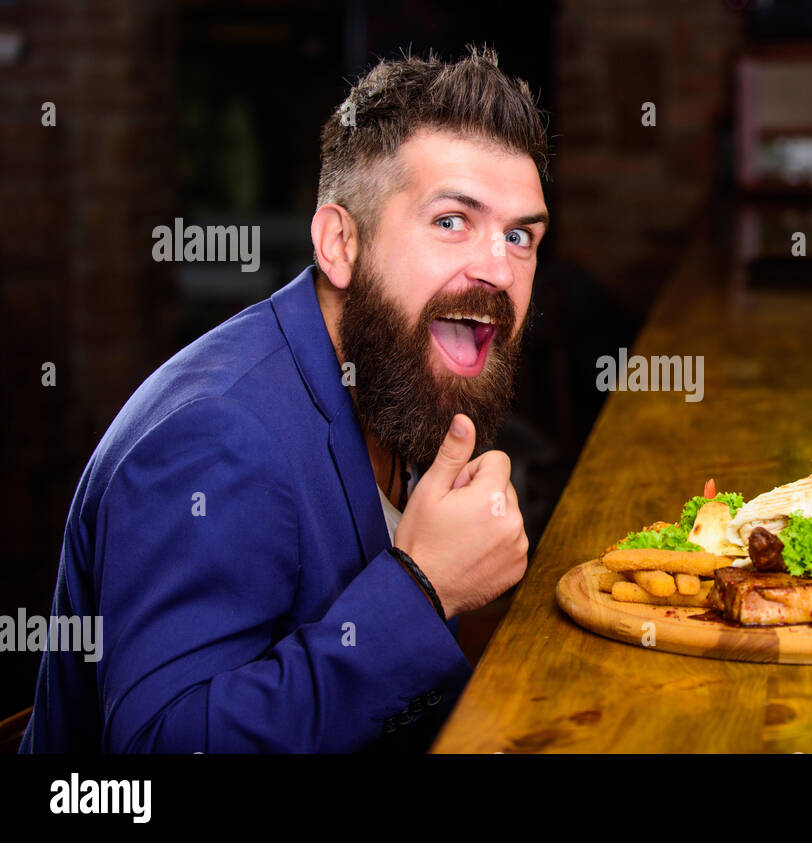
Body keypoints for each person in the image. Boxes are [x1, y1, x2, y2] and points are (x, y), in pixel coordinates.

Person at [21, 47, 547, 752]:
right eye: (451, 220)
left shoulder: (397, 376)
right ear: (339, 242)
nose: (496, 268)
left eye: (520, 235)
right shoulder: (215, 436)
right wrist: (424, 588)